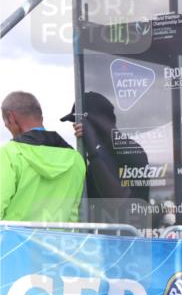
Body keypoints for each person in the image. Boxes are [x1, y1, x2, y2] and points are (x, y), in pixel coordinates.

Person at [61, 91, 149, 226]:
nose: (75, 127)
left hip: (127, 239)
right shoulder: (97, 155)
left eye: (80, 122)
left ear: (95, 122)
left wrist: (94, 151)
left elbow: (119, 202)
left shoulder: (130, 149)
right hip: (102, 238)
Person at [1, 91, 85, 222]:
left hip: (14, 242)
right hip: (59, 242)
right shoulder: (76, 159)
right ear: (40, 115)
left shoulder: (8, 154)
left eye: (5, 123)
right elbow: (73, 215)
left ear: (10, 117)